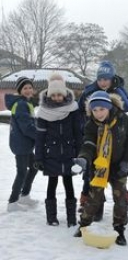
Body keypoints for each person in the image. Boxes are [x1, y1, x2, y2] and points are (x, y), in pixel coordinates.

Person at [73, 91, 128, 246]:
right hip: (99, 166)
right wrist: (83, 158)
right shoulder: (91, 125)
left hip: (119, 166)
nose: (98, 113)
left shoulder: (122, 119)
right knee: (93, 197)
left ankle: (119, 228)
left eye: (102, 109)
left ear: (109, 108)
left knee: (120, 198)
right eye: (94, 110)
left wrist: (127, 161)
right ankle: (84, 225)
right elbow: (89, 144)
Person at [77, 60, 128, 218]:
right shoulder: (91, 90)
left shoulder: (117, 90)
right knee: (91, 172)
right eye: (100, 79)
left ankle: (123, 199)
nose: (103, 82)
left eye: (106, 79)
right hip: (94, 134)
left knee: (117, 172)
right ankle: (90, 203)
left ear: (112, 79)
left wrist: (117, 88)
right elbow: (81, 106)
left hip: (115, 138)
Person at [34, 73, 82, 227]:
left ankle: (71, 218)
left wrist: (80, 155)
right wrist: (38, 158)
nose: (56, 97)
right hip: (51, 155)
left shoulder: (73, 110)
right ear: (49, 95)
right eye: (53, 95)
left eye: (59, 94)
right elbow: (40, 138)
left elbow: (78, 133)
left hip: (69, 154)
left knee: (69, 184)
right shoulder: (43, 113)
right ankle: (51, 217)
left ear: (64, 94)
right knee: (52, 184)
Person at [5, 76, 38, 212]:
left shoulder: (25, 102)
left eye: (30, 87)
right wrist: (40, 136)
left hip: (25, 144)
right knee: (22, 172)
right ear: (19, 90)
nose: (28, 90)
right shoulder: (21, 104)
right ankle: (12, 202)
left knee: (34, 167)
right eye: (25, 88)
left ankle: (24, 195)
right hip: (21, 144)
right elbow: (26, 127)